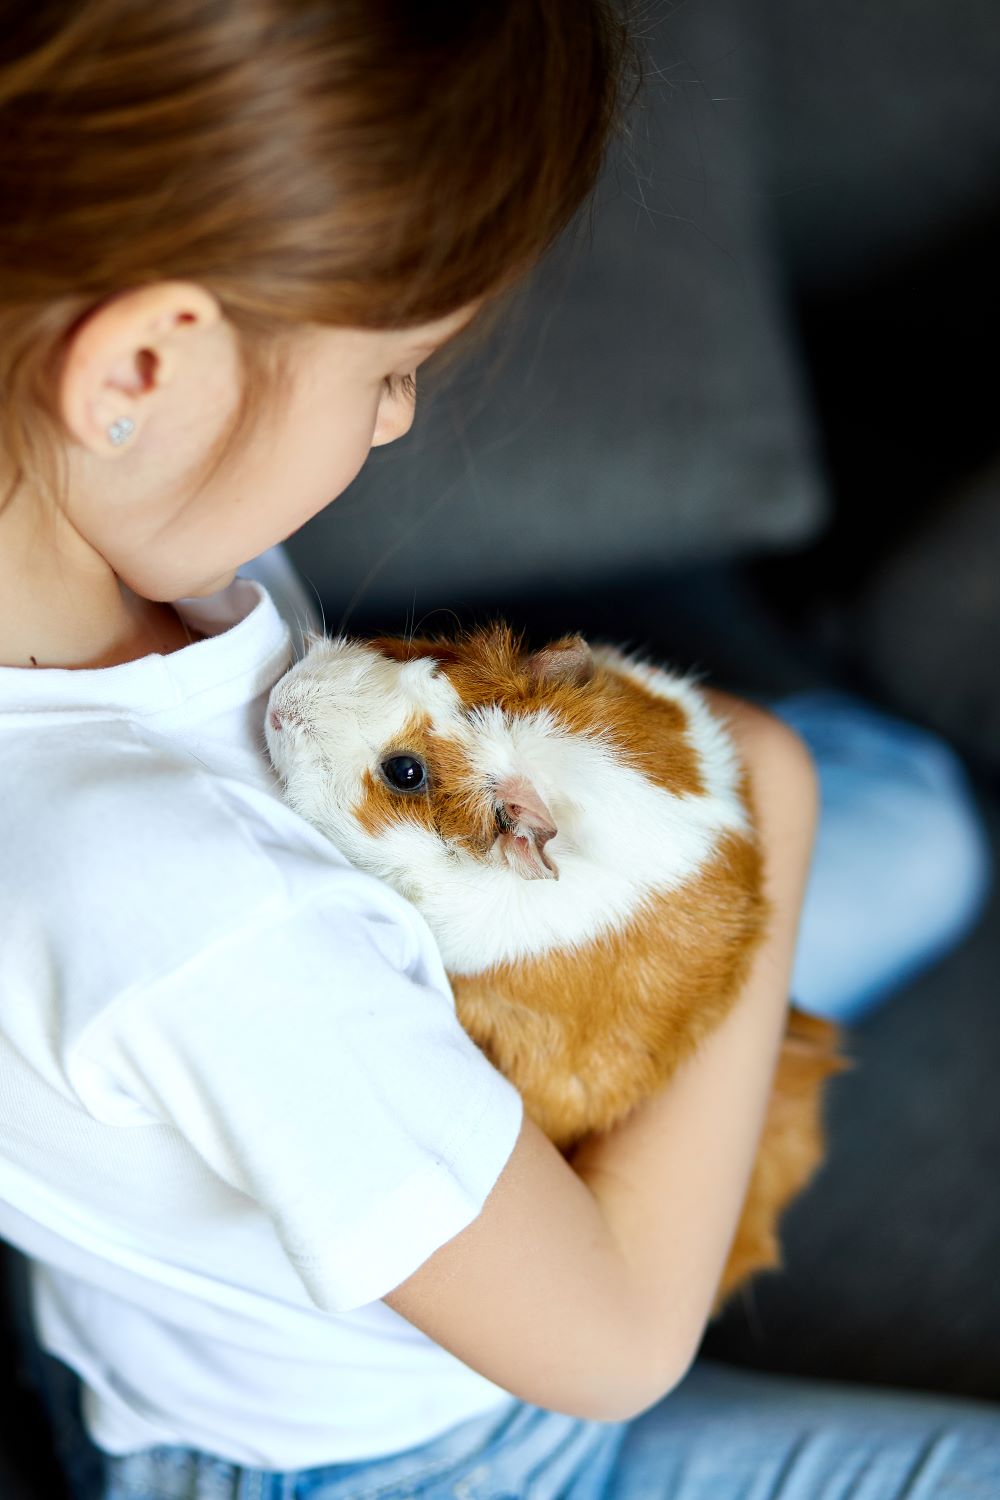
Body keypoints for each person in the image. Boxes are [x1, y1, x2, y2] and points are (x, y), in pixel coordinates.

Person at [0, 5, 995, 1499]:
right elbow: (609, 1345)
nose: (395, 420)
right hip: (414, 1452)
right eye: (389, 368)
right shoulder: (203, 916)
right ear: (140, 368)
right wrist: (757, 811)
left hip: (372, 1050)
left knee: (919, 827)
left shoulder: (130, 550)